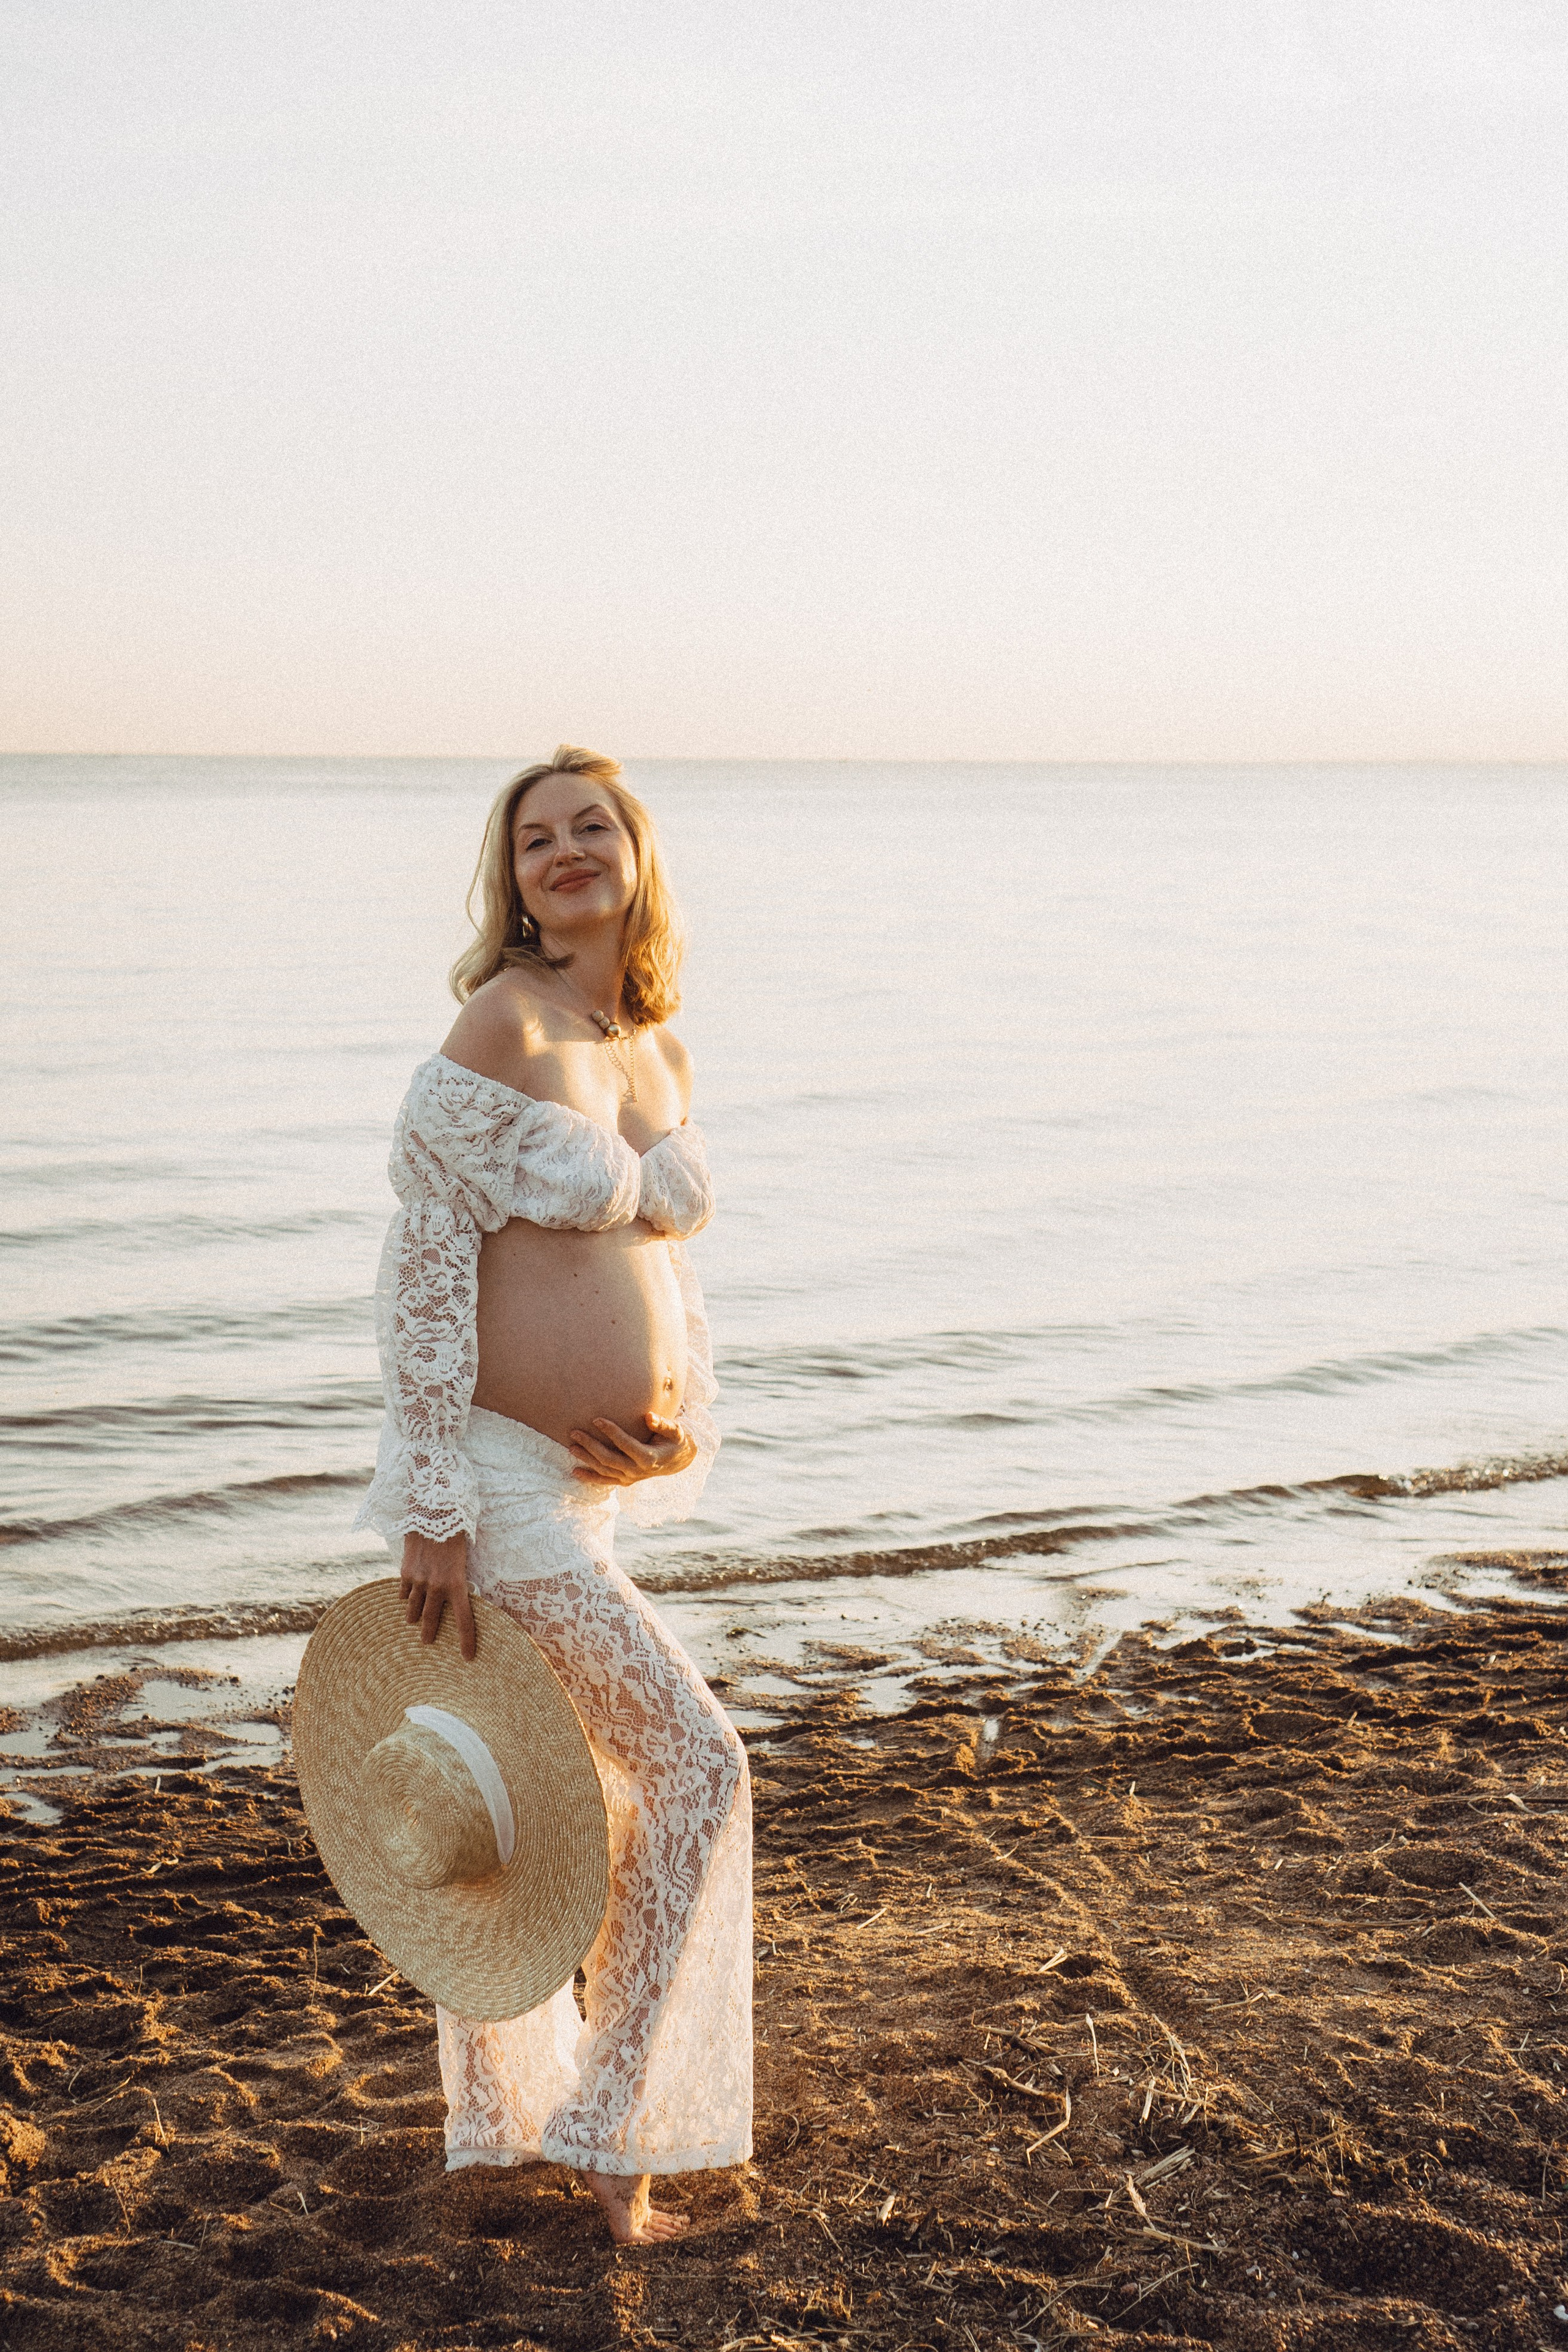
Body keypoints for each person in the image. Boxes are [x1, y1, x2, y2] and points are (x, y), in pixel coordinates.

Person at [354, 745, 750, 2244]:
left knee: (560, 1804)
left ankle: (530, 2119)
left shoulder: (652, 1043)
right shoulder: (502, 1022)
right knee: (699, 1773)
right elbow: (423, 1274)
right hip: (501, 1501)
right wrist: (433, 1502)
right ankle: (611, 2131)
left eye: (594, 827)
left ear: (637, 857)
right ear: (509, 878)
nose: (567, 852)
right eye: (537, 839)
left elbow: (660, 1267)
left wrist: (674, 1425)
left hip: (578, 1498)